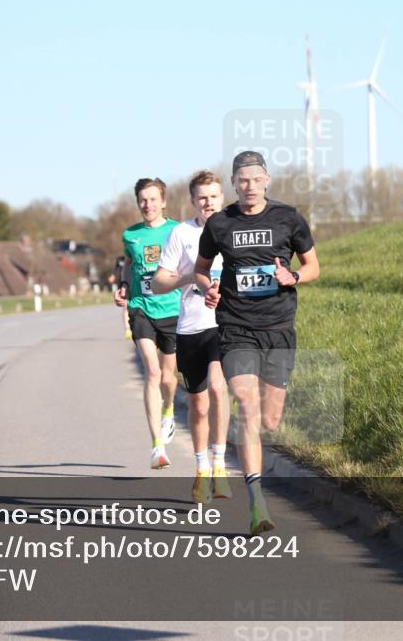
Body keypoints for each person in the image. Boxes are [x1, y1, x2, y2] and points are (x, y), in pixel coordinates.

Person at [194, 151, 319, 535]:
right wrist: (208, 290)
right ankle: (257, 503)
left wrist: (293, 279)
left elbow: (313, 266)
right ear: (234, 183)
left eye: (255, 179)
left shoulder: (289, 218)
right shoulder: (219, 223)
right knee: (246, 406)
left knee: (270, 419)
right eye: (242, 180)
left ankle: (256, 488)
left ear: (267, 179)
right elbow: (200, 270)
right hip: (235, 327)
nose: (249, 186)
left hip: (279, 327)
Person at [152, 170, 231, 503]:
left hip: (224, 324)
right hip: (190, 328)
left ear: (222, 198)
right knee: (198, 406)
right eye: (202, 197)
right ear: (193, 200)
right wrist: (187, 277)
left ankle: (220, 466)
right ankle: (201, 470)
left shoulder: (232, 229)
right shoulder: (181, 234)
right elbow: (158, 283)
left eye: (213, 196)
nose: (208, 202)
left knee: (218, 387)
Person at [113, 178, 181, 469]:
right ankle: (157, 446)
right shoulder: (130, 235)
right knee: (152, 372)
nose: (147, 205)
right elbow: (128, 263)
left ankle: (169, 409)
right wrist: (124, 287)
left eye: (153, 199)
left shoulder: (177, 231)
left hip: (173, 310)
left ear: (163, 202)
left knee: (168, 377)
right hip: (141, 309)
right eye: (142, 200)